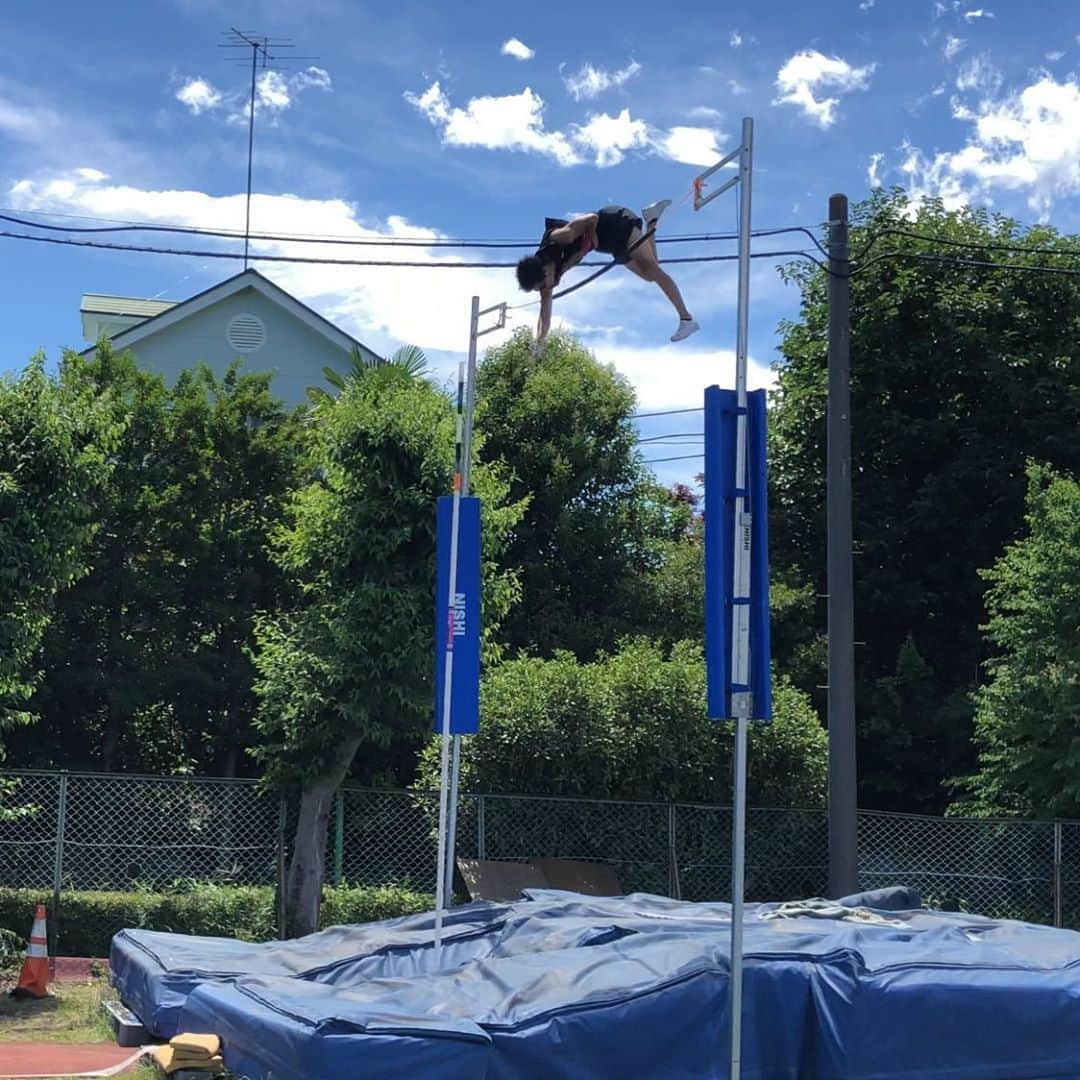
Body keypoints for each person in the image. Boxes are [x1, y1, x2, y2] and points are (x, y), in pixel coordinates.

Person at [515, 200, 700, 349]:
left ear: (545, 270)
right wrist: (539, 344)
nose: (547, 289)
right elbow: (544, 317)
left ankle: (686, 318)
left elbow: (592, 218)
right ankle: (652, 219)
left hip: (614, 223)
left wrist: (585, 243)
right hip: (607, 244)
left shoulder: (560, 237)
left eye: (543, 285)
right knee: (650, 275)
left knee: (653, 270)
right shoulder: (546, 282)